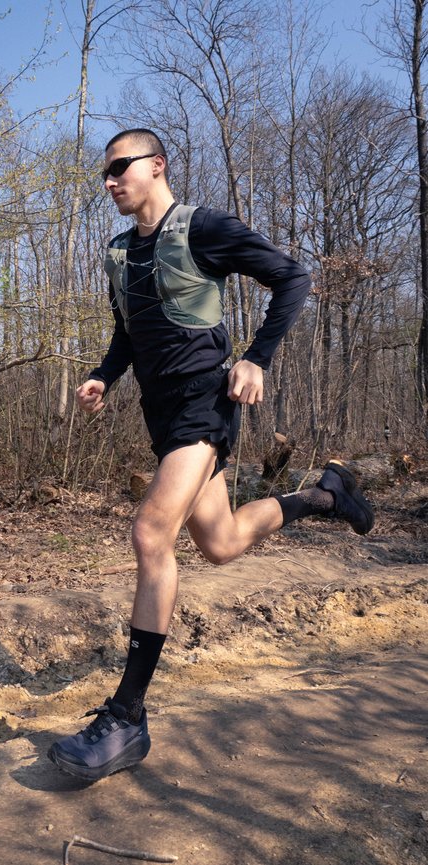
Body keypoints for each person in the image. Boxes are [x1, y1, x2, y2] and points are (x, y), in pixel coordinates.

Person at [47, 128, 374, 782]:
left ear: (157, 165)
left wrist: (255, 356)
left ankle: (127, 718)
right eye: (104, 174)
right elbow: (127, 334)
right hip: (162, 413)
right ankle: (326, 495)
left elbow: (292, 277)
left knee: (149, 533)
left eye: (120, 167)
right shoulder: (119, 253)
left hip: (207, 399)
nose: (110, 181)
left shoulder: (200, 228)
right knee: (220, 542)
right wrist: (103, 376)